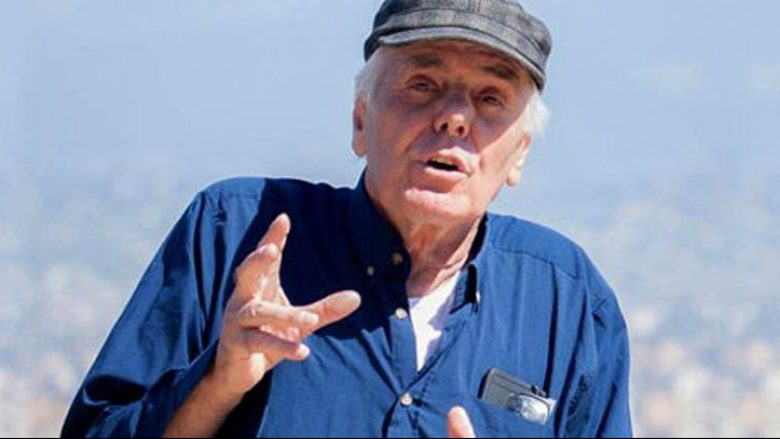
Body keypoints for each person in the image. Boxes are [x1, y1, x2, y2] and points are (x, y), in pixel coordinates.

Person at [62, 0, 632, 437]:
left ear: (520, 153)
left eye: (490, 98)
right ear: (361, 121)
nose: (455, 118)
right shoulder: (236, 233)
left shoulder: (570, 302)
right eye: (423, 85)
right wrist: (219, 380)